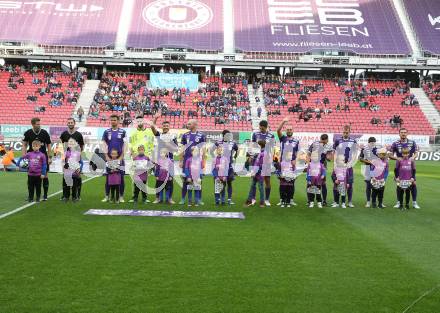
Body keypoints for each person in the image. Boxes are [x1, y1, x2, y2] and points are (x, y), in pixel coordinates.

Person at [150, 113, 178, 204]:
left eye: (167, 125)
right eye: (164, 125)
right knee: (158, 180)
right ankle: (157, 198)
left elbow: (176, 149)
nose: (165, 127)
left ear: (169, 127)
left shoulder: (173, 136)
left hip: (169, 161)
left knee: (170, 180)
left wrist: (168, 144)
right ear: (162, 127)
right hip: (160, 161)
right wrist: (155, 118)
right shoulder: (159, 135)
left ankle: (169, 198)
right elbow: (152, 128)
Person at [389, 128, 420, 209]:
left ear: (407, 133)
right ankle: (399, 202)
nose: (403, 134)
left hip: (410, 166)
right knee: (399, 185)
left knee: (413, 184)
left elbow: (416, 153)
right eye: (401, 132)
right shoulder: (395, 143)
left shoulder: (412, 142)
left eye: (405, 132)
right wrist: (397, 158)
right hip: (400, 167)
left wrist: (412, 157)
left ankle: (414, 202)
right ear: (399, 134)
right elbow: (390, 155)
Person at [22, 117, 52, 201]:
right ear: (33, 124)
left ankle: (45, 195)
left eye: (39, 124)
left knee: (45, 176)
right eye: (37, 124)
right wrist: (24, 155)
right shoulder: (28, 133)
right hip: (31, 158)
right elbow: (24, 144)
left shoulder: (44, 132)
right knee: (30, 177)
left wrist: (49, 157)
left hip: (43, 158)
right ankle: (30, 195)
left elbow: (49, 145)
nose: (39, 125)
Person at [179, 119, 206, 205]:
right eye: (187, 123)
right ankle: (183, 198)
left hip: (197, 162)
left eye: (189, 124)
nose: (187, 125)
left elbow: (204, 149)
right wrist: (180, 160)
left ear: (195, 124)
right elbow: (182, 148)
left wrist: (204, 161)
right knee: (186, 180)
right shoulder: (185, 135)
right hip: (187, 161)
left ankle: (199, 199)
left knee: (198, 181)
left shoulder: (202, 135)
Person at [101, 114, 127, 203]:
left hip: (120, 158)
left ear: (118, 121)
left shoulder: (123, 132)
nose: (113, 121)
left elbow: (125, 145)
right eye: (111, 120)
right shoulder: (106, 132)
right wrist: (106, 156)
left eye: (115, 120)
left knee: (121, 178)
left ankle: (121, 196)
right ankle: (107, 196)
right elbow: (104, 144)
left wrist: (121, 157)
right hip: (110, 159)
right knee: (108, 177)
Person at [60, 118, 85, 201]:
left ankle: (77, 195)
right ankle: (65, 195)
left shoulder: (78, 134)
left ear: (74, 123)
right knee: (66, 177)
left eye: (71, 122)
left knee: (77, 177)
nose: (70, 124)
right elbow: (61, 144)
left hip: (76, 157)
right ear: (67, 124)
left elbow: (82, 145)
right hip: (67, 157)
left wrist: (79, 153)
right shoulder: (64, 134)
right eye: (69, 122)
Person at [333, 125, 358, 207]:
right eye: (344, 132)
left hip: (348, 166)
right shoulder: (337, 141)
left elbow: (355, 154)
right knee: (337, 183)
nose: (345, 134)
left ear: (349, 132)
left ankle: (349, 202)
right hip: (339, 166)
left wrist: (351, 163)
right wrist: (335, 164)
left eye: (347, 132)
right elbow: (335, 153)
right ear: (342, 131)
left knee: (349, 184)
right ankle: (336, 201)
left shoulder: (353, 141)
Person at [277, 117, 300, 206]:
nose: (289, 130)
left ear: (293, 130)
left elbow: (296, 153)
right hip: (283, 164)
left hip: (292, 164)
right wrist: (283, 121)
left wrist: (295, 162)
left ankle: (290, 200)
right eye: (288, 129)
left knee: (291, 182)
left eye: (290, 129)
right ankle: (281, 199)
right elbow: (278, 130)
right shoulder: (283, 138)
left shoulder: (296, 141)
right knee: (282, 182)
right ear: (286, 131)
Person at [251, 120, 275, 206]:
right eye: (259, 127)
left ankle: (267, 199)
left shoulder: (271, 135)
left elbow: (272, 148)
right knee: (254, 179)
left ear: (265, 127)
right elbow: (253, 146)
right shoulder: (255, 134)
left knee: (267, 180)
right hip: (256, 160)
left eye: (262, 128)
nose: (260, 129)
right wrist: (251, 156)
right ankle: (253, 198)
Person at [213, 130, 238, 205]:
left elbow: (237, 149)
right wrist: (216, 159)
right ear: (223, 135)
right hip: (220, 167)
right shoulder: (218, 143)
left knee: (229, 183)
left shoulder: (232, 143)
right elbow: (211, 150)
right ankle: (220, 199)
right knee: (220, 183)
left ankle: (229, 199)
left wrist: (234, 157)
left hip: (229, 167)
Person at [307, 134, 333, 206]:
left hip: (322, 165)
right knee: (310, 183)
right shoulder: (315, 143)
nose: (323, 143)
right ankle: (309, 200)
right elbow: (309, 153)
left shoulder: (329, 146)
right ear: (320, 139)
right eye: (322, 141)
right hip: (313, 165)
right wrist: (308, 163)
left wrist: (328, 157)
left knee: (323, 184)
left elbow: (330, 157)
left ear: (327, 140)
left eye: (324, 142)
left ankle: (324, 201)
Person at [245, 140, 266, 208]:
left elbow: (261, 165)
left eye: (258, 145)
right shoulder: (260, 153)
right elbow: (256, 162)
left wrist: (254, 172)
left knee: (260, 187)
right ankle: (249, 200)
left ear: (260, 145)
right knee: (253, 186)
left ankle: (262, 202)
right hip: (256, 172)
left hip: (259, 173)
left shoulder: (263, 153)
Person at [359, 137, 378, 208]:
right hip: (367, 168)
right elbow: (360, 158)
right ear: (368, 143)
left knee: (375, 185)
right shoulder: (364, 149)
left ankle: (374, 201)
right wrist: (369, 162)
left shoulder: (377, 149)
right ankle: (368, 202)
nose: (373, 144)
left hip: (375, 169)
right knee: (368, 185)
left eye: (374, 143)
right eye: (371, 143)